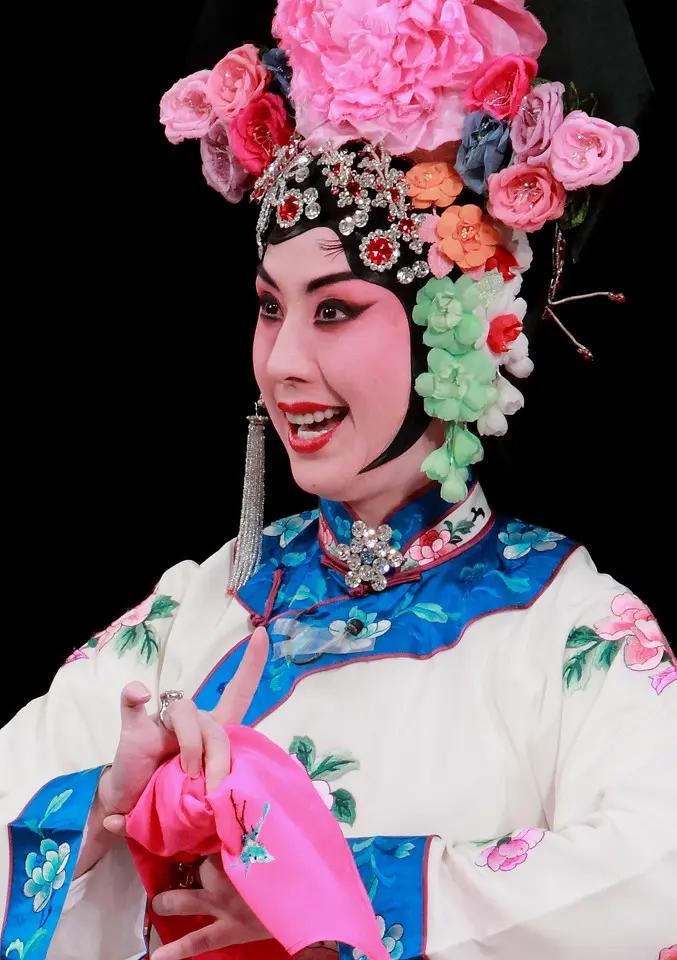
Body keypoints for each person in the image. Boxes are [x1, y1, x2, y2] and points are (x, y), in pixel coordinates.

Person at [2, 1, 675, 958]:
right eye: (269, 307)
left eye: (335, 311)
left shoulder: (569, 631)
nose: (280, 364)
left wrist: (336, 902)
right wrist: (105, 804)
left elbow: (654, 879)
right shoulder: (196, 610)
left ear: (452, 328)